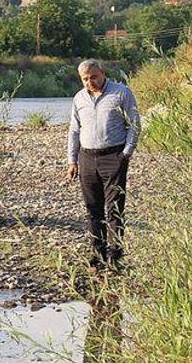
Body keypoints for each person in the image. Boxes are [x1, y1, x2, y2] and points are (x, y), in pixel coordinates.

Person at [66, 59, 140, 271]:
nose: (90, 82)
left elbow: (134, 124)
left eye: (93, 77)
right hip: (86, 158)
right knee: (92, 209)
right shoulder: (79, 97)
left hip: (113, 157)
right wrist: (72, 160)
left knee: (114, 209)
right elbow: (74, 130)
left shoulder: (121, 93)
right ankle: (97, 253)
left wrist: (125, 154)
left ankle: (115, 256)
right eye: (85, 79)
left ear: (102, 73)